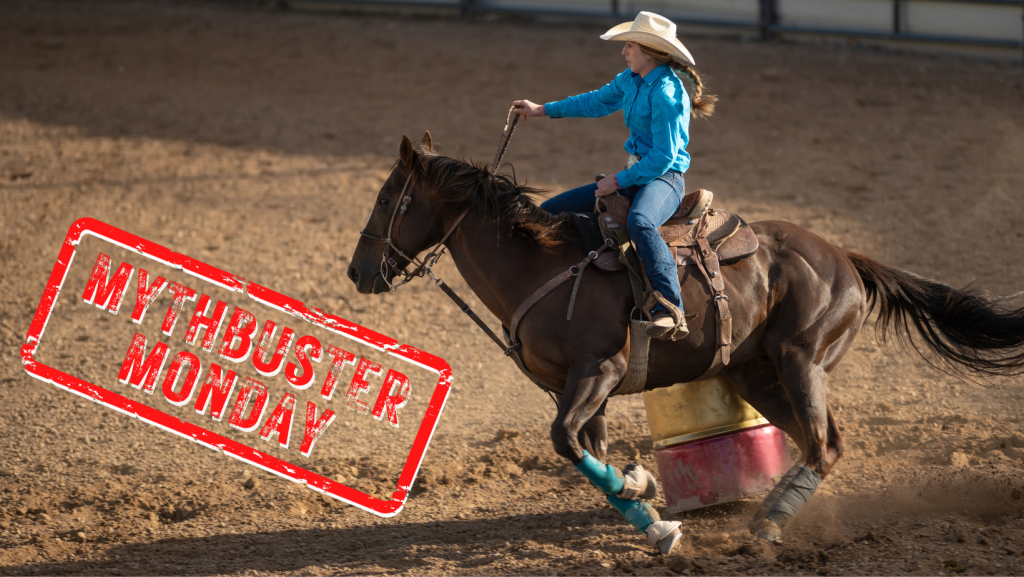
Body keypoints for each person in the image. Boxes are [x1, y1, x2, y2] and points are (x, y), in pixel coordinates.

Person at [512, 11, 716, 340]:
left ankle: (670, 308)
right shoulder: (630, 80)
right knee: (550, 210)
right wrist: (542, 110)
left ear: (649, 52)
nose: (624, 52)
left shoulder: (667, 94)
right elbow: (596, 102)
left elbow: (664, 157)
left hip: (665, 179)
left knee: (641, 222)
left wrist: (618, 182)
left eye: (630, 46)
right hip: (635, 173)